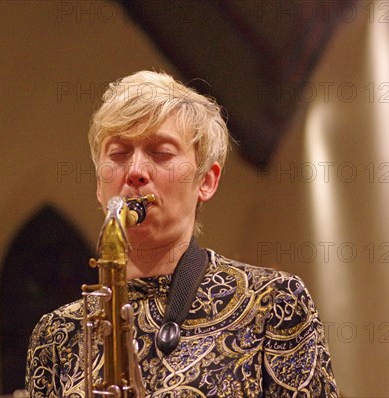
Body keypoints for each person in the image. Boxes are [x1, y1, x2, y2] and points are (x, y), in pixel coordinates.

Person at [25, 71, 339, 397]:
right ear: (98, 186)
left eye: (160, 153)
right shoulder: (57, 335)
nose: (134, 172)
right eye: (118, 154)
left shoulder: (272, 303)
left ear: (207, 181)